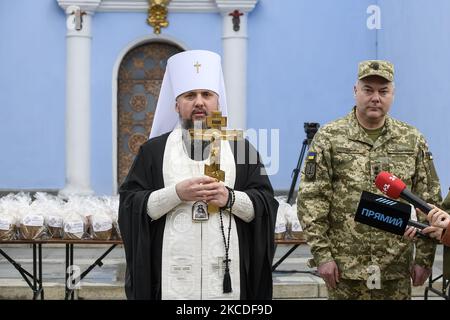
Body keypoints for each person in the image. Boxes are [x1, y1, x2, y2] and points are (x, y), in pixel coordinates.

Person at [118, 50, 278, 300]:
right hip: (170, 278)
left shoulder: (242, 149)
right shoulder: (153, 151)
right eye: (190, 95)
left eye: (206, 95)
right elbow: (130, 205)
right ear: (176, 105)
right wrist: (175, 194)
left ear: (218, 103)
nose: (199, 102)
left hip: (228, 277)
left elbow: (266, 204)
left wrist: (230, 198)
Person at [297, 60, 442, 299]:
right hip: (345, 270)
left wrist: (425, 259)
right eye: (368, 90)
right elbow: (312, 200)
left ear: (393, 94)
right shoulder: (330, 137)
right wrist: (322, 256)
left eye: (383, 91)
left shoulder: (412, 139)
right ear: (355, 91)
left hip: (395, 267)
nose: (376, 97)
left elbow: (429, 200)